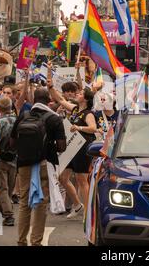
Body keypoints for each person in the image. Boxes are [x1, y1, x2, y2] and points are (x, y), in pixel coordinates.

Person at [11, 88, 66, 246]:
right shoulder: (54, 119)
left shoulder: (23, 115)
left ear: (34, 100)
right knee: (41, 203)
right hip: (44, 163)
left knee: (24, 202)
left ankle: (21, 241)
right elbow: (62, 146)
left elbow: (12, 142)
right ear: (49, 100)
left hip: (24, 163)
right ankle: (36, 242)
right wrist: (47, 147)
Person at [48, 77, 97, 216]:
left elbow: (93, 128)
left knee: (82, 179)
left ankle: (88, 212)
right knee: (62, 177)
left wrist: (79, 127)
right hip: (72, 147)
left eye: (80, 94)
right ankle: (77, 205)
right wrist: (51, 87)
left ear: (86, 99)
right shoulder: (75, 109)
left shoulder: (88, 113)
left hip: (82, 147)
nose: (77, 94)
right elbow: (60, 100)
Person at [0, 96, 17, 226]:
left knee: (2, 188)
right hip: (14, 158)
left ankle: (8, 215)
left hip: (0, 158)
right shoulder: (17, 121)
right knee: (9, 188)